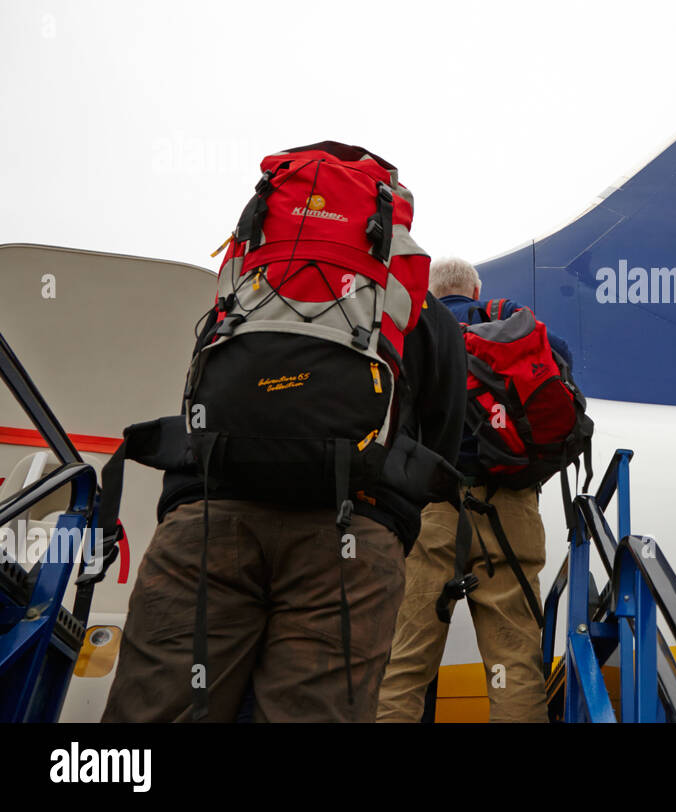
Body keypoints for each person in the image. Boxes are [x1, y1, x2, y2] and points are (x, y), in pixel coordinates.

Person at [101, 289, 467, 723]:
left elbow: (199, 394)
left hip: (207, 523)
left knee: (158, 709)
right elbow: (443, 438)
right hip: (349, 538)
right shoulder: (424, 313)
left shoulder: (252, 284)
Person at [377, 256, 571, 723]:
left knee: (405, 664)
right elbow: (559, 368)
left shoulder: (411, 331)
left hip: (431, 512)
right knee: (512, 663)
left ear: (432, 291)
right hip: (510, 512)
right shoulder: (511, 327)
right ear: (476, 290)